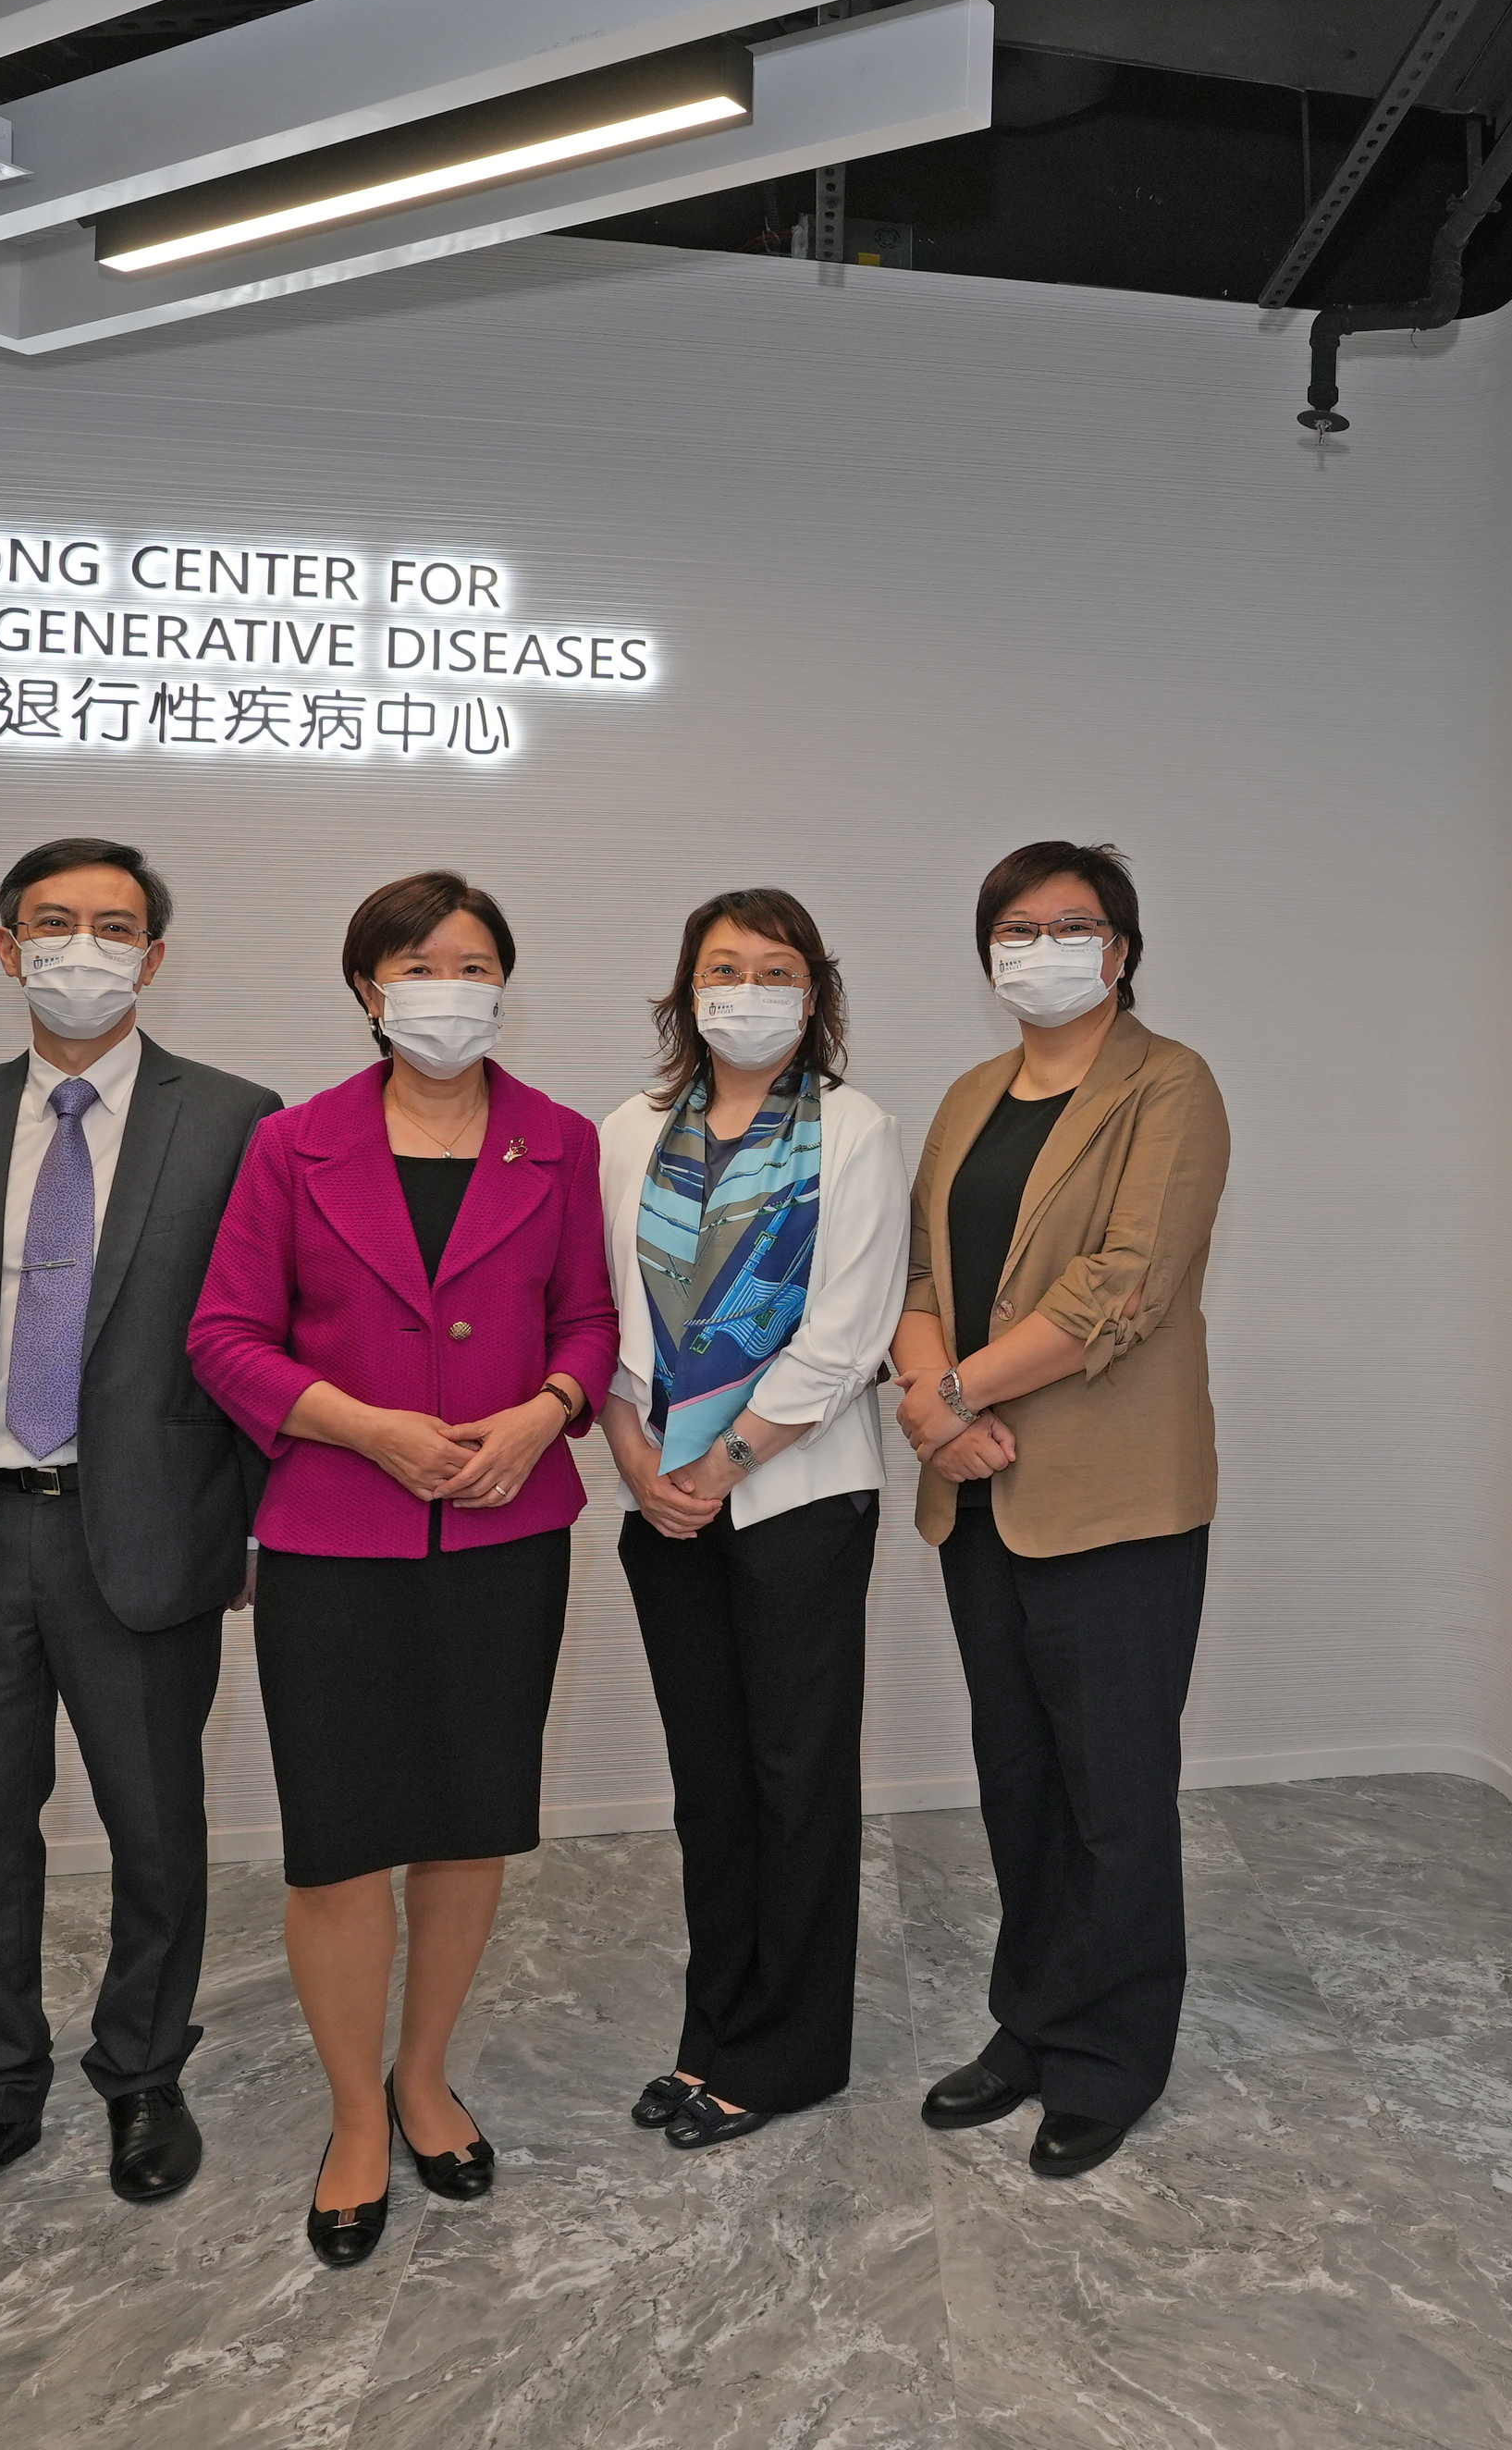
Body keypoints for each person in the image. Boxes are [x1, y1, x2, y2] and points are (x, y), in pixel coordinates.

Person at [0, 839, 281, 2251]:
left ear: (155, 957)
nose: (81, 949)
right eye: (52, 924)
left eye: (114, 928)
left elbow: (266, 1339)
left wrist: (260, 1531)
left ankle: (143, 2073)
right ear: (7, 944)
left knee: (156, 1830)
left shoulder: (239, 1120)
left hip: (140, 1540)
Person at [188, 871, 618, 2267]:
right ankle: (350, 2115)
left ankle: (423, 2076)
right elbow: (226, 1337)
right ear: (370, 987)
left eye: (477, 961)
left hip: (506, 1535)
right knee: (339, 1843)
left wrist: (548, 1408)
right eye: (420, 963)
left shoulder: (555, 1139)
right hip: (333, 1539)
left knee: (469, 1821)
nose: (451, 985)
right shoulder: (292, 1144)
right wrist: (362, 1426)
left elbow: (592, 1320)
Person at [893, 841, 1231, 2179]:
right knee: (1019, 1777)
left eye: (1071, 926)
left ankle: (1111, 2056)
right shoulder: (974, 1095)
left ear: (1123, 949)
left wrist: (958, 1390)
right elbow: (923, 1276)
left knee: (1116, 1794)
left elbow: (1122, 1286)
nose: (1042, 948)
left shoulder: (1171, 1085)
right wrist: (934, 1409)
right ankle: (1028, 2025)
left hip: (1115, 1499)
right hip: (976, 1492)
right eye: (1016, 929)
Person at [596, 892, 910, 2152]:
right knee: (708, 1786)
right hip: (658, 1498)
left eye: (774, 969)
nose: (746, 988)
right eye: (722, 968)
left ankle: (789, 2052)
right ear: (683, 990)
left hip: (795, 1497)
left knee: (797, 1779)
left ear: (815, 992)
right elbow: (606, 1318)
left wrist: (719, 1464)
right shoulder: (627, 1130)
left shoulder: (856, 1130)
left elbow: (848, 1338)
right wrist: (635, 1458)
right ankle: (711, 2028)